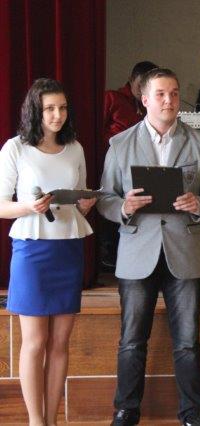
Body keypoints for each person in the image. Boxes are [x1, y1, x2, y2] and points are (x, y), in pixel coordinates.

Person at [97, 68, 200, 426]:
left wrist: (199, 204)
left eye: (174, 93)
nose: (169, 101)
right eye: (160, 94)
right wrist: (124, 207)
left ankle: (193, 412)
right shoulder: (120, 144)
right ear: (144, 100)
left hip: (184, 251)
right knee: (131, 341)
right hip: (137, 251)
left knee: (187, 341)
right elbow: (104, 198)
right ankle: (126, 411)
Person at [0, 78, 96, 426]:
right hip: (31, 250)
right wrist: (29, 206)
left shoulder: (75, 148)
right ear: (35, 111)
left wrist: (86, 203)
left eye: (63, 108)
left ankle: (52, 420)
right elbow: (1, 205)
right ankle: (35, 421)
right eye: (50, 109)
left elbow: (80, 199)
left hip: (68, 248)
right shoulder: (15, 148)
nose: (58, 115)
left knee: (59, 343)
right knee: (34, 342)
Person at [100, 60, 157, 269]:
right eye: (140, 84)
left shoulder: (149, 105)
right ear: (131, 80)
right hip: (113, 160)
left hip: (142, 164)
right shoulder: (112, 97)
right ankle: (108, 251)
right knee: (112, 202)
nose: (143, 90)